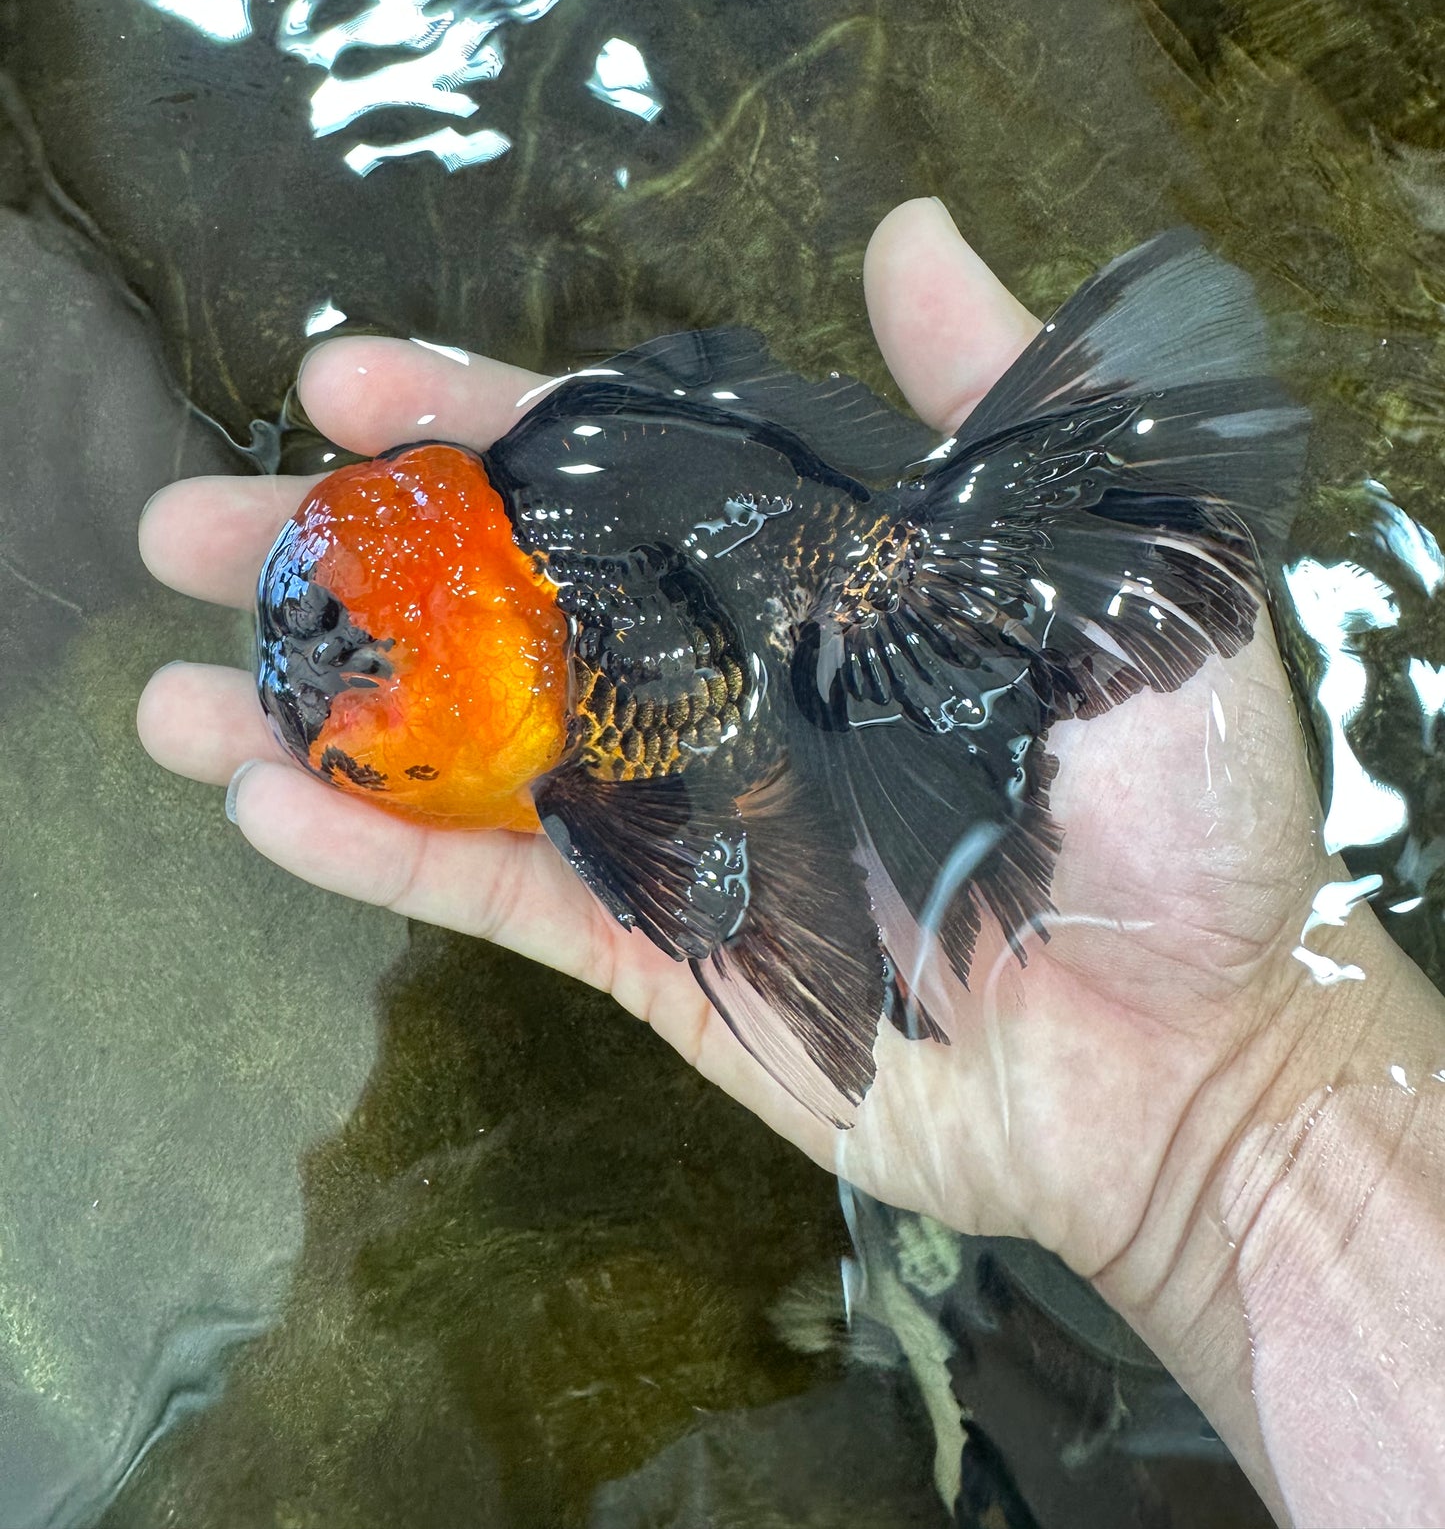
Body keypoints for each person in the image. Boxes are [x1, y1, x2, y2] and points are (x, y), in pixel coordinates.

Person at [137, 197, 1445, 1529]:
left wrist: (1232, 1098)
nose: (316, 695)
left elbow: (700, 879)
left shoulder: (576, 656)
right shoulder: (547, 542)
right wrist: (1236, 1113)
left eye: (358, 672)